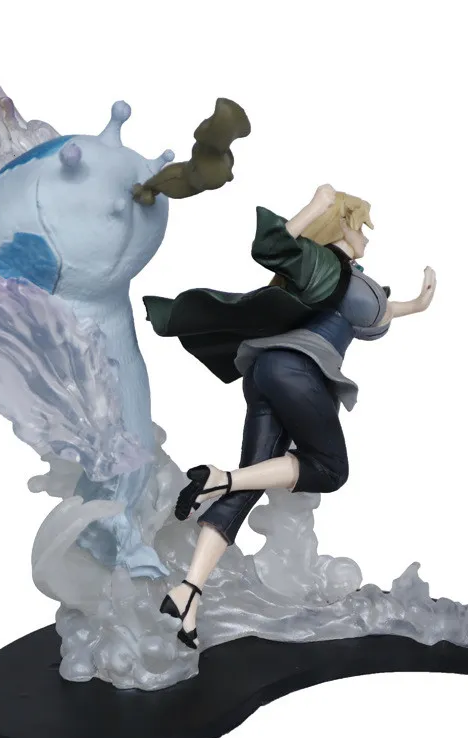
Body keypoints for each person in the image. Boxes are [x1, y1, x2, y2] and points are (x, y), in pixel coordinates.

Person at [144, 185, 437, 648]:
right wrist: (317, 206)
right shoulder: (326, 264)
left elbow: (372, 318)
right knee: (330, 468)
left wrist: (415, 306)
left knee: (247, 486)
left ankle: (188, 594)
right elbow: (272, 246)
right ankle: (221, 478)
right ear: (342, 226)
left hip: (266, 372)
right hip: (295, 372)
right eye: (361, 226)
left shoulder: (339, 278)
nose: (366, 238)